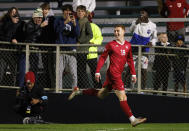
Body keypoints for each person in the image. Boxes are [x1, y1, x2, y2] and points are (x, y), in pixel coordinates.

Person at [68, 25, 147, 127]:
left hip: (115, 75)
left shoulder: (128, 45)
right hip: (114, 74)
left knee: (101, 95)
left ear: (124, 32)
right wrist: (97, 71)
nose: (116, 33)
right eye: (114, 31)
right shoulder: (111, 45)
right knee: (123, 97)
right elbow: (103, 58)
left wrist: (133, 73)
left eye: (118, 31)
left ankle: (78, 91)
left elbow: (130, 59)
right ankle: (132, 119)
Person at [126, 8, 157, 89]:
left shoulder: (153, 25)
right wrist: (135, 23)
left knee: (143, 70)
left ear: (147, 14)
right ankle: (127, 87)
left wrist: (152, 42)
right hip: (133, 50)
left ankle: (143, 88)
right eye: (140, 13)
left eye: (143, 13)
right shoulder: (135, 22)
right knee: (129, 69)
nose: (141, 15)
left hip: (144, 51)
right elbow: (130, 30)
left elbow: (155, 37)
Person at [18, 8, 47, 87]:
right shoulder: (29, 24)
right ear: (34, 17)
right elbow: (29, 35)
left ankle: (33, 87)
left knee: (34, 69)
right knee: (23, 70)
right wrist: (40, 26)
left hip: (35, 50)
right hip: (26, 50)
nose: (39, 19)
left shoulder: (41, 25)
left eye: (40, 18)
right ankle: (20, 87)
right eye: (38, 17)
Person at [54, 4, 80, 91]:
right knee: (59, 73)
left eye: (69, 11)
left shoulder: (75, 20)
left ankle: (74, 90)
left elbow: (77, 35)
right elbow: (56, 31)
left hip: (71, 50)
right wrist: (65, 22)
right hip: (60, 51)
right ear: (63, 12)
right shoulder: (58, 20)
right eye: (66, 11)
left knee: (74, 73)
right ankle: (59, 91)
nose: (68, 13)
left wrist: (75, 24)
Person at [0, 7, 20, 86]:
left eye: (15, 12)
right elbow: (6, 36)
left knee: (14, 71)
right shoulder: (4, 23)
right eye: (12, 12)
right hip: (4, 50)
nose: (13, 13)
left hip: (13, 51)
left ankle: (14, 87)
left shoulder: (18, 22)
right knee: (1, 70)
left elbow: (19, 35)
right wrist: (12, 24)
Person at [76, 5, 93, 89]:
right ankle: (80, 87)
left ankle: (86, 87)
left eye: (82, 11)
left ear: (85, 13)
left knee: (82, 70)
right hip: (76, 49)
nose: (80, 13)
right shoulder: (75, 21)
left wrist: (80, 41)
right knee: (78, 70)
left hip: (83, 50)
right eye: (79, 11)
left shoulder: (86, 22)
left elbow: (90, 35)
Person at [40, 2, 56, 89]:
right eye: (43, 9)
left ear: (49, 10)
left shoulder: (52, 19)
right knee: (45, 66)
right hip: (43, 46)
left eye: (46, 9)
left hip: (51, 46)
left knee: (51, 67)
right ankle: (48, 85)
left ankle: (53, 86)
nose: (44, 11)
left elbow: (53, 33)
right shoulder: (39, 19)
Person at [87, 22, 103, 88]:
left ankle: (98, 88)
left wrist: (93, 43)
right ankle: (84, 88)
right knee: (81, 72)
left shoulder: (94, 26)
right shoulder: (78, 24)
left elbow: (99, 38)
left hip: (92, 54)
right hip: (80, 53)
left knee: (95, 72)